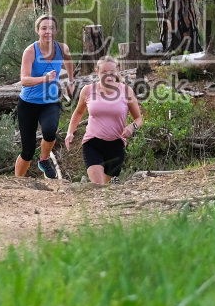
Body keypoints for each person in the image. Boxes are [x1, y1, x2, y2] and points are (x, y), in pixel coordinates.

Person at [65, 56, 143, 185]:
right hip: (92, 143)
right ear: (97, 72)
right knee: (98, 186)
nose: (109, 75)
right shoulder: (88, 90)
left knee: (108, 189)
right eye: (104, 72)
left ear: (117, 71)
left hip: (116, 145)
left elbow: (139, 119)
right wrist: (70, 131)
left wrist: (131, 127)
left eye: (112, 72)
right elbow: (79, 112)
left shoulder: (126, 91)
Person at [16, 13, 72, 179]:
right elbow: (24, 81)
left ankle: (44, 159)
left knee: (49, 132)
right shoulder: (30, 51)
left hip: (50, 101)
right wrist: (44, 79)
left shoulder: (62, 48)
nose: (48, 31)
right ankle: (17, 183)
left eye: (52, 28)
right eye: (44, 28)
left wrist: (71, 80)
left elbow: (69, 60)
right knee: (27, 151)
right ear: (38, 30)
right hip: (28, 104)